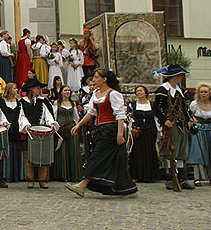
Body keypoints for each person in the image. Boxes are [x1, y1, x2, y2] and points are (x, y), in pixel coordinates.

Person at [65, 69, 137, 197]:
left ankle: (83, 184)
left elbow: (120, 116)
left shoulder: (113, 94)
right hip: (100, 130)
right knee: (115, 159)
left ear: (104, 79)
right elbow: (91, 112)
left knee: (97, 157)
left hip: (111, 130)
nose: (94, 80)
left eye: (97, 77)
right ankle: (126, 188)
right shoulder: (97, 93)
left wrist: (120, 134)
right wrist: (78, 125)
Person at [152, 64, 195, 190]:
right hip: (171, 123)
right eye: (180, 75)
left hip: (181, 123)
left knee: (181, 150)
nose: (182, 77)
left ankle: (182, 178)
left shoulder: (180, 90)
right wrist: (164, 120)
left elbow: (184, 108)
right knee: (170, 150)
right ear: (174, 76)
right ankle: (170, 178)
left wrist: (189, 120)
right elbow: (157, 108)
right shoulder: (163, 90)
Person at [18, 78, 58, 189]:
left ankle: (42, 179)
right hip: (29, 131)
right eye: (37, 87)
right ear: (31, 89)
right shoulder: (22, 102)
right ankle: (30, 179)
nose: (39, 89)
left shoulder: (43, 102)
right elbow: (21, 116)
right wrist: (25, 125)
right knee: (28, 155)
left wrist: (52, 124)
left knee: (43, 154)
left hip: (41, 130)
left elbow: (48, 115)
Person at [127, 85, 161, 183]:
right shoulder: (133, 105)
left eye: (141, 91)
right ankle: (136, 175)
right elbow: (129, 117)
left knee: (149, 150)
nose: (139, 93)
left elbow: (156, 118)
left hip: (150, 130)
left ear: (146, 92)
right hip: (138, 130)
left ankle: (149, 175)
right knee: (137, 151)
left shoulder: (152, 104)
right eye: (137, 91)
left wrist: (159, 131)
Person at [51, 86, 82, 182]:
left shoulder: (73, 103)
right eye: (65, 90)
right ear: (61, 92)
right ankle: (62, 175)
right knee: (62, 151)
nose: (67, 92)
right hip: (61, 128)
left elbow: (75, 117)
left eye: (68, 90)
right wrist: (56, 127)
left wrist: (76, 126)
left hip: (71, 128)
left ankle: (74, 175)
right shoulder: (57, 103)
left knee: (72, 149)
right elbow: (54, 116)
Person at [0, 83, 23, 183]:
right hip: (6, 128)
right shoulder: (2, 102)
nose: (16, 90)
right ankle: (6, 174)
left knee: (16, 149)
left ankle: (16, 174)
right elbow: (1, 113)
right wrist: (5, 122)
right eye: (14, 88)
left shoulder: (18, 102)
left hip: (16, 129)